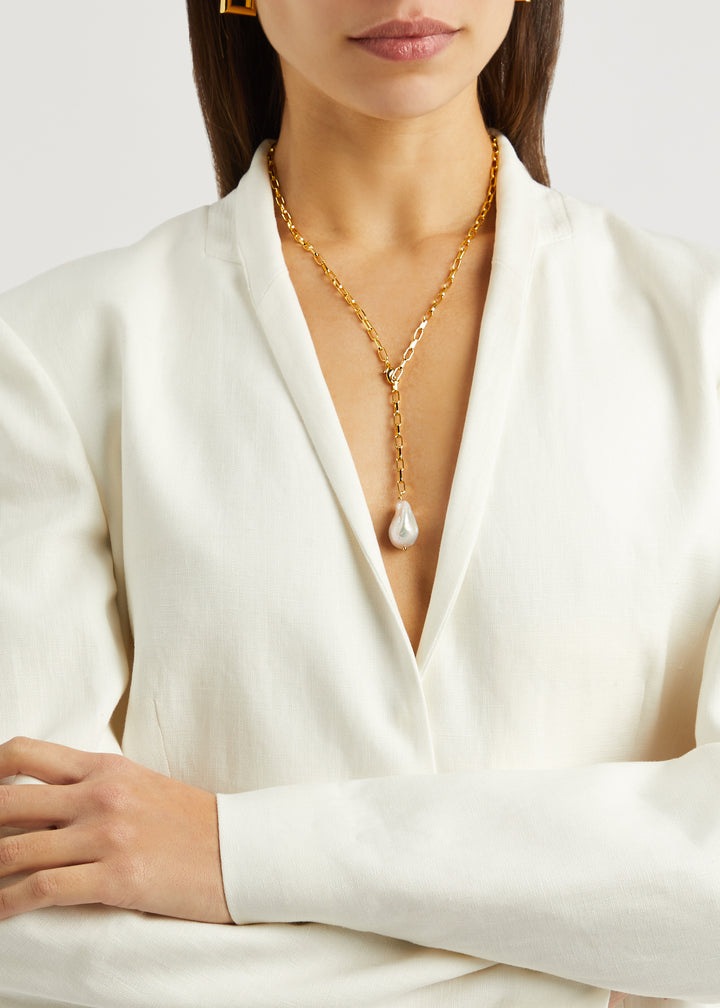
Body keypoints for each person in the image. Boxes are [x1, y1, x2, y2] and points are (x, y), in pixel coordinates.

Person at [1, 1, 719, 1006]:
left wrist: (228, 853)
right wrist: (588, 966)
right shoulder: (51, 356)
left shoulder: (702, 335)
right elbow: (36, 926)